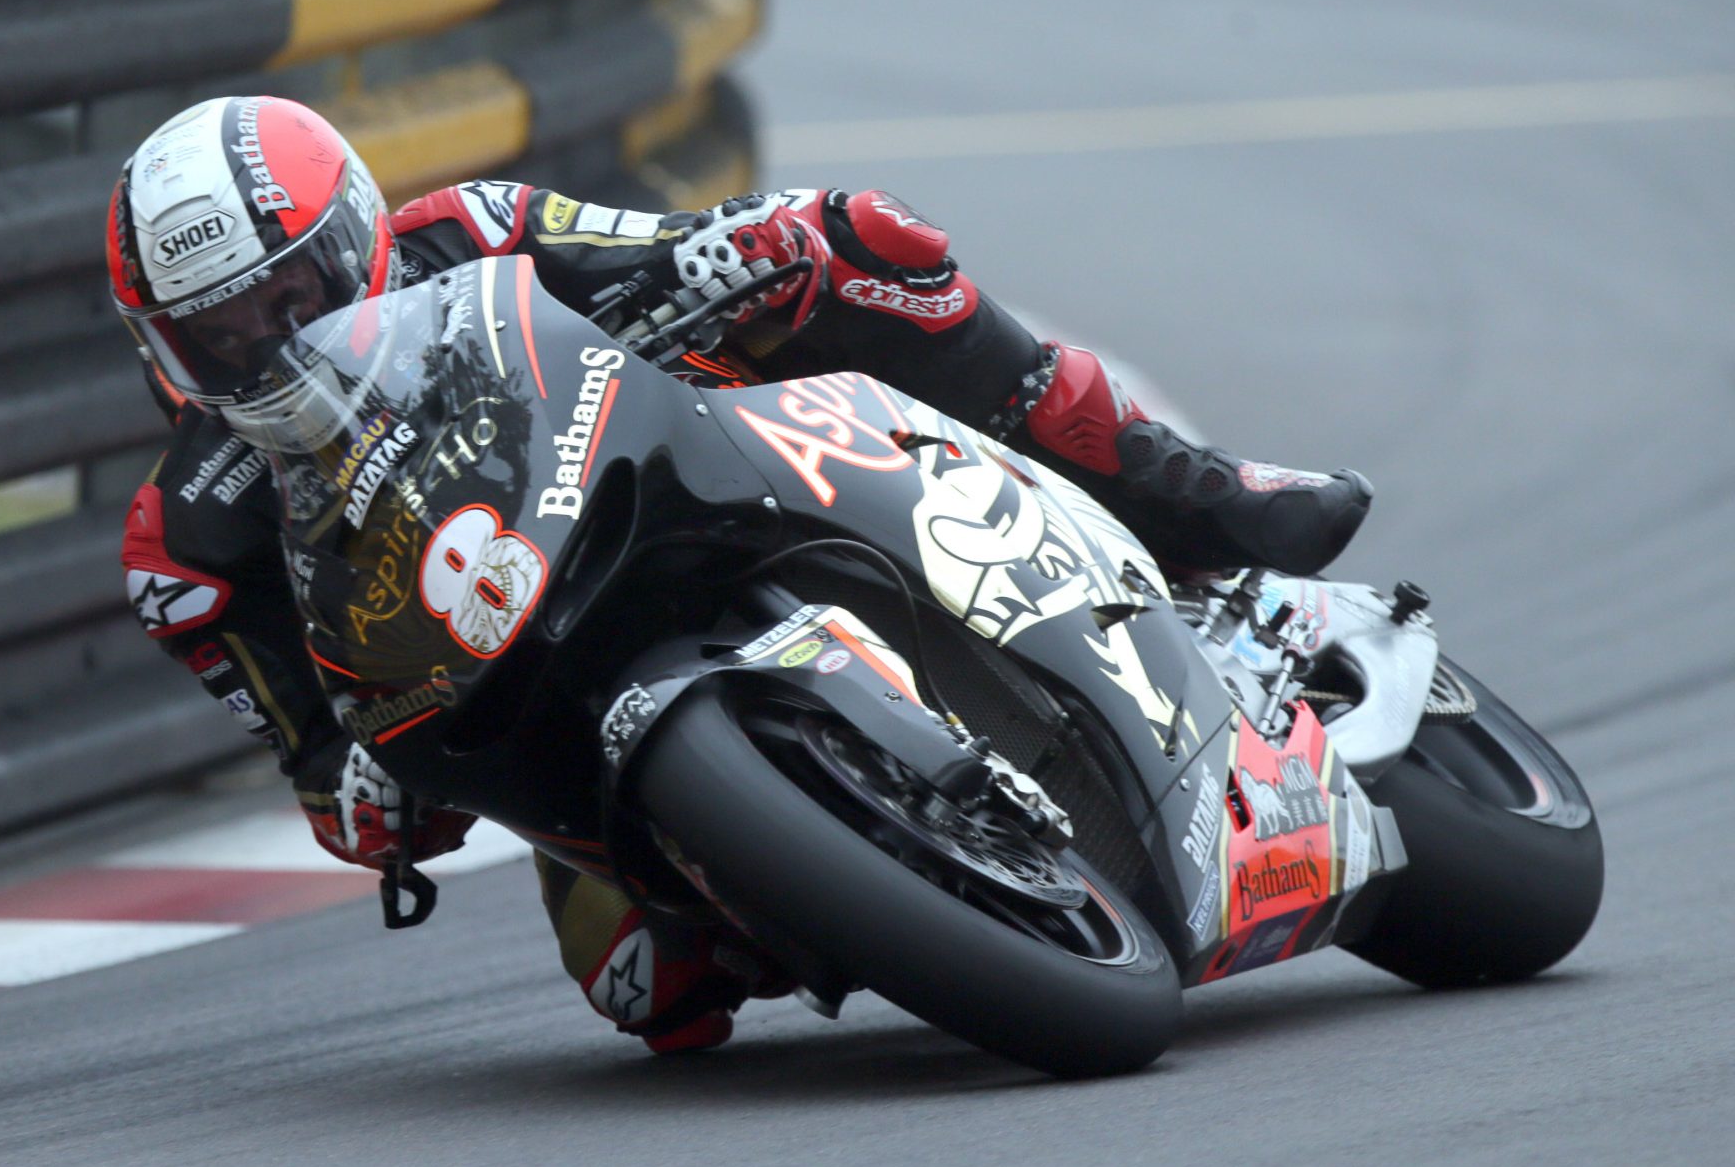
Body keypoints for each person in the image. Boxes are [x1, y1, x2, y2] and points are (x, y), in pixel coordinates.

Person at [114, 95, 1370, 1052]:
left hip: (700, 473)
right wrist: (362, 804)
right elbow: (312, 754)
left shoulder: (469, 235)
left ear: (356, 238)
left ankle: (1191, 492)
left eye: (294, 292)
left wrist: (741, 250)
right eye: (221, 333)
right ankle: (897, 873)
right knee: (651, 998)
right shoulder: (187, 550)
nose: (274, 341)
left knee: (866, 247)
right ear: (167, 354)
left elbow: (659, 251)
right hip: (533, 681)